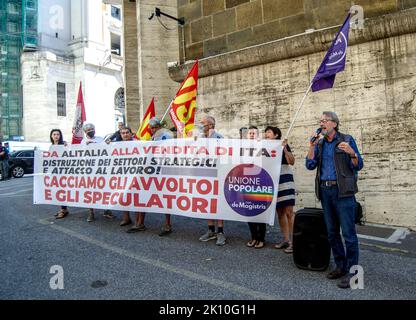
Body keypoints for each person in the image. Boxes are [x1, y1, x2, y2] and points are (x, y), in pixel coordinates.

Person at [305, 111, 363, 289]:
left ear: (334, 124)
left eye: (324, 120)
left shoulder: (346, 139)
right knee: (332, 233)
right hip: (325, 191)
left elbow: (358, 165)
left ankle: (354, 274)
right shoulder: (320, 143)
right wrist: (311, 146)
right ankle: (340, 266)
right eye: (320, 120)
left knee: (349, 235)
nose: (321, 123)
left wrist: (352, 153)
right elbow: (309, 165)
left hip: (343, 192)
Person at [127, 117, 174, 236]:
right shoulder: (152, 137)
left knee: (164, 198)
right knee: (143, 194)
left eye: (155, 127)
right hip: (150, 171)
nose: (153, 129)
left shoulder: (166, 136)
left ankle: (168, 224)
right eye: (151, 128)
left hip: (163, 171)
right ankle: (140, 223)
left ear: (160, 127)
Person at [264, 126, 296, 254]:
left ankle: (294, 242)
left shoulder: (283, 146)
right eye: (266, 132)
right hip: (273, 179)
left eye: (269, 132)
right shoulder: (264, 147)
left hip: (285, 179)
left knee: (289, 212)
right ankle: (286, 239)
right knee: (280, 212)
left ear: (276, 135)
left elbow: (291, 162)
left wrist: (285, 149)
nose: (266, 134)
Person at [197, 115, 226, 246]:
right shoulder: (201, 138)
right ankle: (210, 230)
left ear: (210, 125)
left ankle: (220, 232)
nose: (200, 125)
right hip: (205, 175)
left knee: (218, 204)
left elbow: (224, 156)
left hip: (217, 175)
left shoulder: (219, 138)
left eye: (202, 123)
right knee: (208, 203)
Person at [81, 123, 115, 222]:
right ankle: (91, 212)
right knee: (90, 191)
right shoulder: (83, 141)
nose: (91, 130)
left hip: (101, 169)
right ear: (85, 131)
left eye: (92, 128)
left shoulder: (100, 139)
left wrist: (108, 143)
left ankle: (107, 210)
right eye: (88, 129)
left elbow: (107, 149)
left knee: (105, 189)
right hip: (89, 170)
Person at [245, 126, 267, 249]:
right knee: (249, 211)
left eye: (254, 133)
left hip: (260, 183)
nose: (252, 135)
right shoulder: (243, 148)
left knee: (260, 211)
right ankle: (253, 237)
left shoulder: (263, 147)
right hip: (247, 183)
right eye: (250, 133)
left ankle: (261, 238)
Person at [108, 126, 135, 227]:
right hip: (122, 174)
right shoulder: (117, 145)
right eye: (123, 133)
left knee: (137, 196)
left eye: (127, 132)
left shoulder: (138, 143)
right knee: (123, 196)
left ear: (131, 133)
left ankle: (139, 220)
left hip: (135, 174)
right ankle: (126, 217)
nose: (125, 134)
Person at [50, 129, 70, 219]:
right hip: (55, 172)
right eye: (54, 134)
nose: (56, 136)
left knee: (62, 190)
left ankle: (63, 209)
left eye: (58, 134)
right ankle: (63, 209)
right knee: (57, 191)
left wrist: (67, 147)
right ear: (51, 136)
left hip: (63, 172)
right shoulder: (51, 147)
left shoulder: (64, 145)